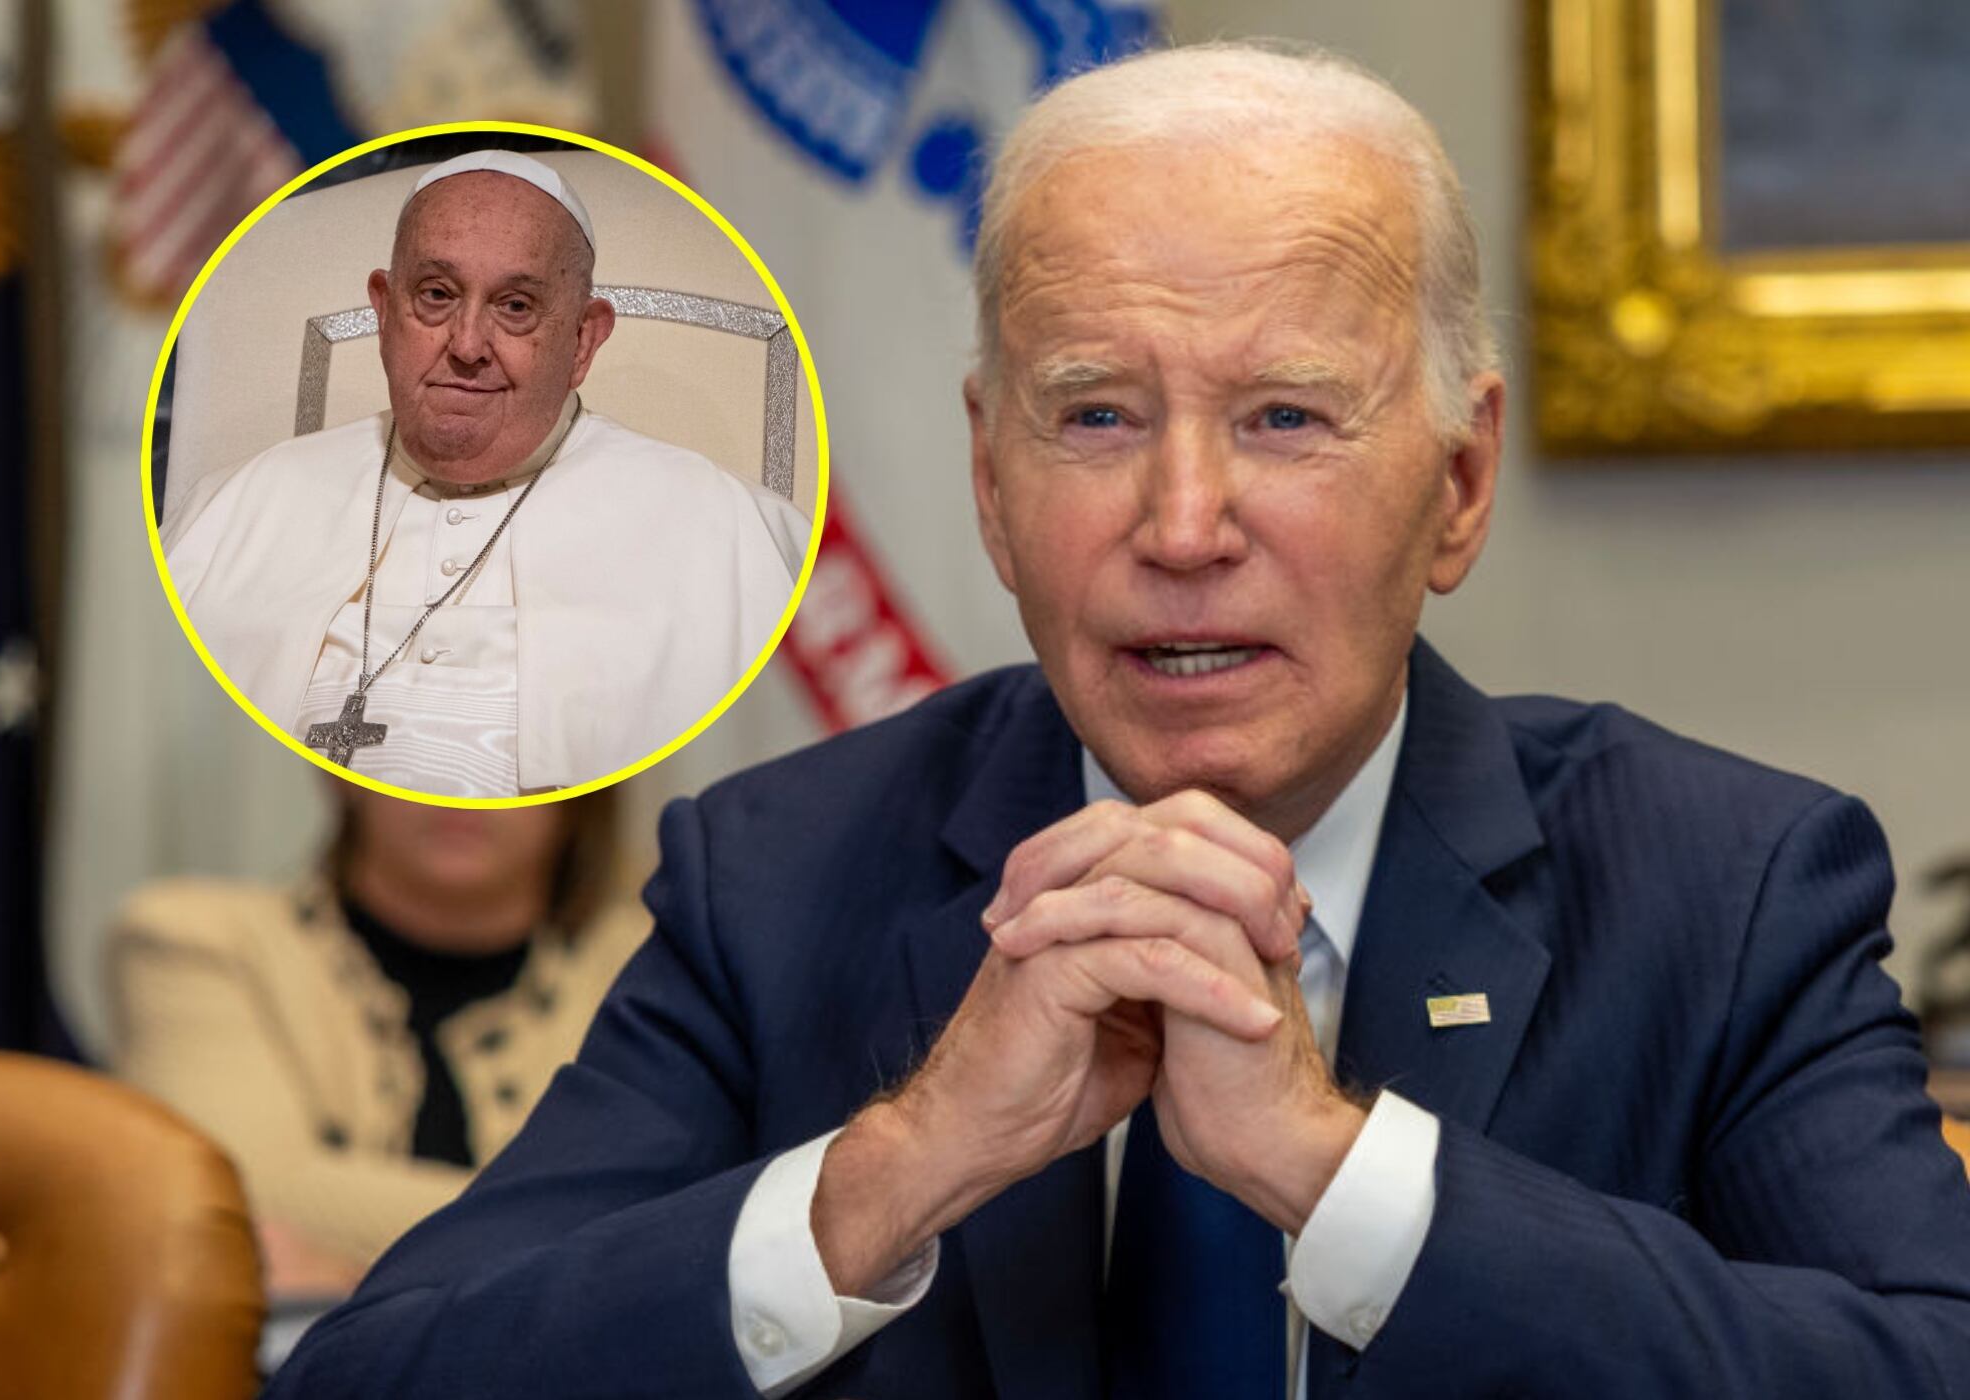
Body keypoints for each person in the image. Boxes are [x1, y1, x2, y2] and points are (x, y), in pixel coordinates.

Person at [268, 43, 1970, 1399]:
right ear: (992, 488)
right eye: (1094, 415)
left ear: (1457, 485)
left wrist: (1338, 1174)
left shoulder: (1724, 885)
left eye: (1288, 416)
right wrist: (900, 1166)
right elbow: (372, 1378)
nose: (1181, 524)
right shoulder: (783, 879)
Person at [164, 149, 811, 798]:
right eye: (437, 296)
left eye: (516, 306)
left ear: (584, 341)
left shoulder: (729, 535)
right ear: (385, 313)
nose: (468, 345)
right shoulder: (233, 511)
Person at [106, 786, 645, 1292]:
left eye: (512, 748)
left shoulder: (658, 961)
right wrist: (593, 1236)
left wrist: (351, 1273)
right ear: (341, 765)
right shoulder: (198, 940)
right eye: (420, 732)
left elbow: (700, 1219)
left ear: (586, 783)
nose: (461, 783)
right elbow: (236, 1187)